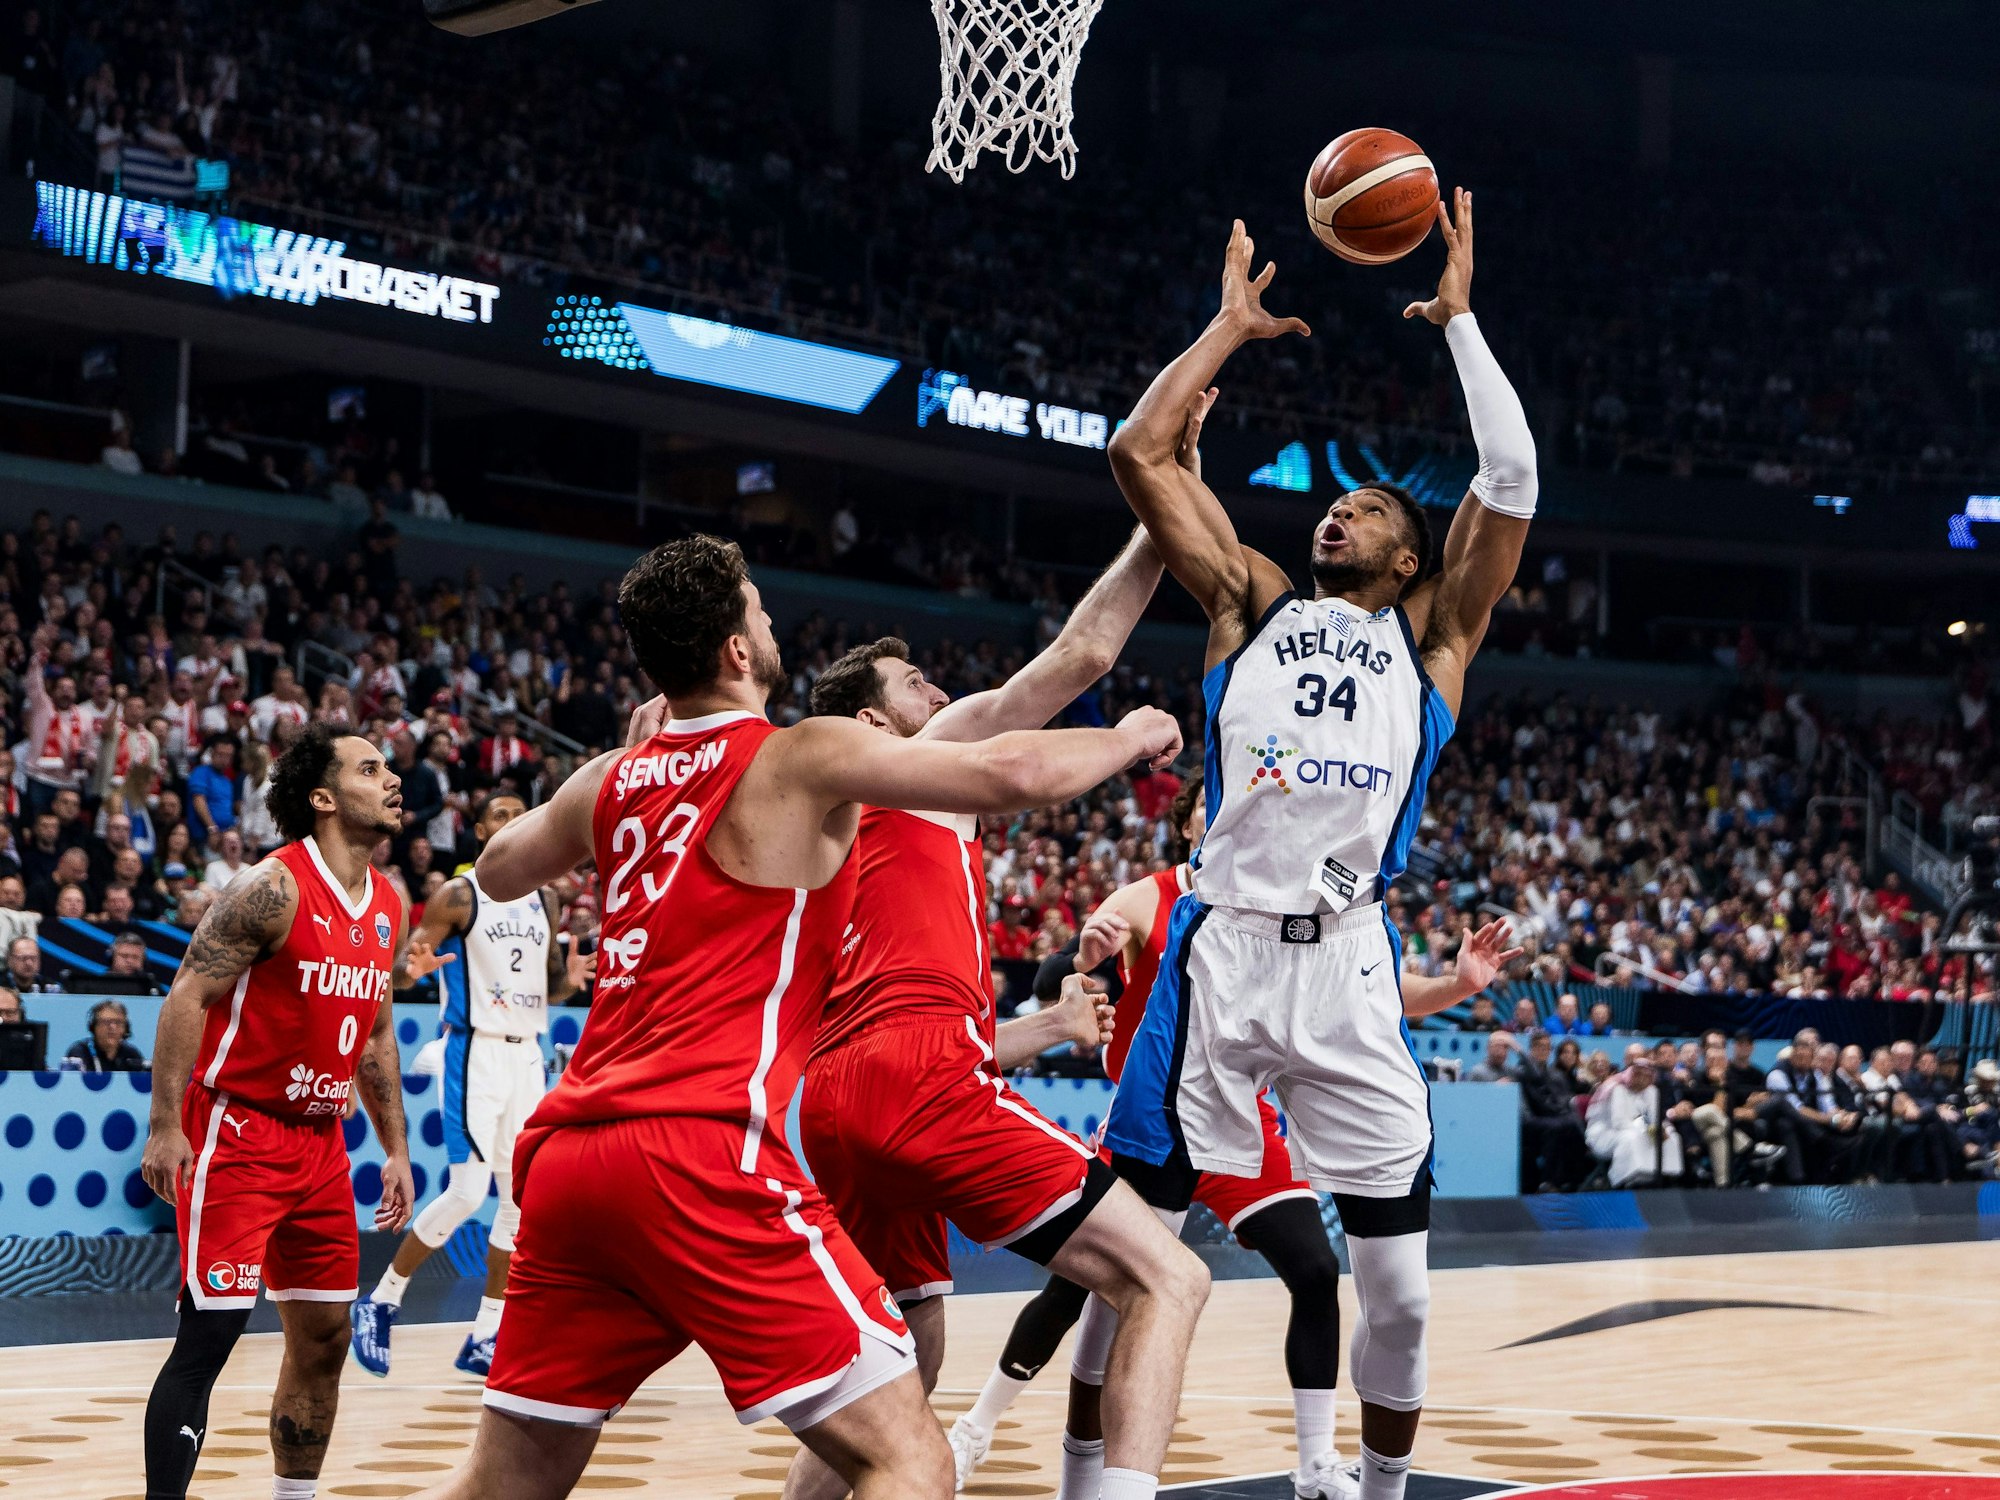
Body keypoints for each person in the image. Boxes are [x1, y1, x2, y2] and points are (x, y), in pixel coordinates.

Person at [403, 536, 1188, 1500]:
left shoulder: (609, 778)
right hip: (699, 1149)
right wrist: (1132, 738)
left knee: (505, 1480)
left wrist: (636, 761)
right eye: (762, 612)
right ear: (737, 650)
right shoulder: (803, 754)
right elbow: (1012, 774)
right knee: (909, 1457)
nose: (772, 625)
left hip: (569, 1159)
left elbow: (494, 870)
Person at [1099, 194, 1535, 1500]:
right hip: (1217, 955)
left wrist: (1459, 325)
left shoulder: (1438, 638)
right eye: (1329, 508)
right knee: (1134, 1257)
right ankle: (1095, 1477)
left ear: (1415, 555)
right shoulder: (1252, 598)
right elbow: (1139, 451)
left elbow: (1508, 483)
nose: (1333, 519)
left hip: (1346, 969)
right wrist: (1224, 332)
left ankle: (1381, 1492)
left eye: (1361, 512)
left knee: (1396, 1298)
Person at [787, 523, 1210, 1500]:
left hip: (839, 1099)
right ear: (872, 722)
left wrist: (1046, 1032)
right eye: (913, 686)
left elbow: (884, 1022)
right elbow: (1081, 654)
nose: (936, 695)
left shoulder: (813, 831)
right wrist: (1155, 525)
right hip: (913, 1078)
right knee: (1166, 1279)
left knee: (901, 1356)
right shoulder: (911, 765)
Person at [951, 775, 1515, 1495]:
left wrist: (1458, 986)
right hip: (1159, 1117)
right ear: (1188, 824)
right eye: (1209, 807)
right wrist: (1085, 953)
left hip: (1248, 1119)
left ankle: (1315, 1463)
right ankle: (986, 1427)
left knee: (1315, 1270)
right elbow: (1062, 971)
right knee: (1088, 1295)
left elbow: (1375, 995)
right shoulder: (1151, 895)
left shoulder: (1297, 894)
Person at [138, 723, 437, 1500]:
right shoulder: (271, 887)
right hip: (236, 1130)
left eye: (389, 767)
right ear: (324, 796)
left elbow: (374, 1036)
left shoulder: (390, 907)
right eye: (371, 769)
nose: (392, 779)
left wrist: (394, 1149)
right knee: (211, 1335)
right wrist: (166, 1125)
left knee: (325, 1338)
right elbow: (188, 995)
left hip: (321, 1145)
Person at [350, 793, 595, 1381]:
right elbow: (406, 966)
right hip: (474, 1053)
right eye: (499, 814)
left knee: (520, 1202)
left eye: (519, 813)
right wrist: (418, 964)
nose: (511, 821)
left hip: (526, 1058)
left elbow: (552, 986)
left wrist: (575, 980)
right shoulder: (460, 895)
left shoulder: (547, 897)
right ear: (481, 828)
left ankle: (486, 1333)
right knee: (466, 1191)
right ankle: (380, 1299)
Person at [1515, 1030, 1589, 1192]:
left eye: (1547, 1047)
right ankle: (1549, 1181)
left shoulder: (1555, 1074)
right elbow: (1538, 1103)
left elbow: (1562, 1102)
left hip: (1552, 1117)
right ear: (1532, 1048)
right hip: (1530, 1120)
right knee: (1559, 1126)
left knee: (1571, 1123)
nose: (1544, 1051)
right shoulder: (1522, 1072)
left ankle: (1572, 1178)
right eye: (1540, 1047)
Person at [64, 997, 147, 1068]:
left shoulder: (131, 1054)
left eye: (118, 1022)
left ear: (126, 1028)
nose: (112, 1027)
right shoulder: (80, 1052)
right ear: (94, 1026)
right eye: (106, 1022)